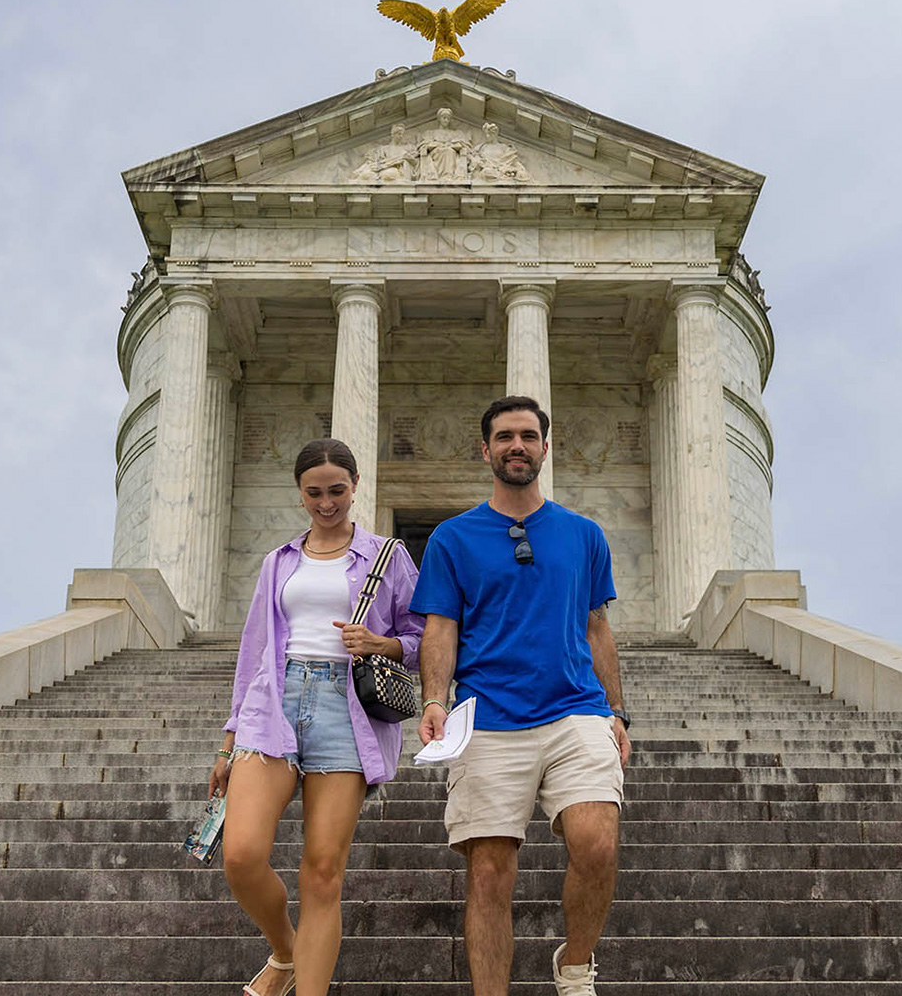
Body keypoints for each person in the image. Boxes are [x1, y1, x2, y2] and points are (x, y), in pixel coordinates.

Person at [412, 395, 631, 996]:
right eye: (505, 437)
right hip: (487, 715)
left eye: (528, 436)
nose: (517, 446)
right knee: (489, 872)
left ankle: (575, 966)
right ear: (485, 449)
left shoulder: (584, 534)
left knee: (597, 843)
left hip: (576, 709)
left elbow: (597, 627)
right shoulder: (452, 538)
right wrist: (434, 700)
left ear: (544, 447)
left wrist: (616, 711)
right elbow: (440, 628)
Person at [210, 438, 424, 996]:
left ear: (355, 487)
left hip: (346, 709)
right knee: (241, 855)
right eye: (314, 493)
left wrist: (380, 642)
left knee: (323, 872)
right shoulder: (278, 561)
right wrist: (229, 740)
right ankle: (285, 953)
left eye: (337, 491)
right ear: (300, 493)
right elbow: (254, 649)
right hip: (274, 703)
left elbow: (423, 637)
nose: (326, 503)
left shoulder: (387, 556)